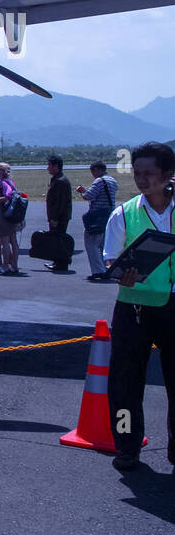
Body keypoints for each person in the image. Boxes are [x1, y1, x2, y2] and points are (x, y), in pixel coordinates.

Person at [102, 141, 175, 472]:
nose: (142, 180)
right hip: (133, 305)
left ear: (168, 175)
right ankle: (127, 447)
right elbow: (109, 258)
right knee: (124, 383)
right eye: (138, 174)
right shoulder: (124, 212)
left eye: (150, 174)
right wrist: (122, 275)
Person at [77, 160, 119, 281]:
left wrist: (81, 192)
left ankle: (98, 271)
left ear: (97, 170)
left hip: (97, 217)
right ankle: (105, 269)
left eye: (93, 171)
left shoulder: (99, 181)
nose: (93, 175)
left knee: (92, 244)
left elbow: (88, 196)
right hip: (109, 215)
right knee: (103, 245)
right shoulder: (112, 180)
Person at [44, 154, 73, 272]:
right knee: (56, 239)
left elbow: (60, 202)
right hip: (57, 215)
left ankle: (62, 263)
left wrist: (55, 218)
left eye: (49, 165)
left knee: (59, 239)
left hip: (59, 216)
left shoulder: (61, 181)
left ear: (56, 166)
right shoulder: (57, 179)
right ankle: (57, 261)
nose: (47, 168)